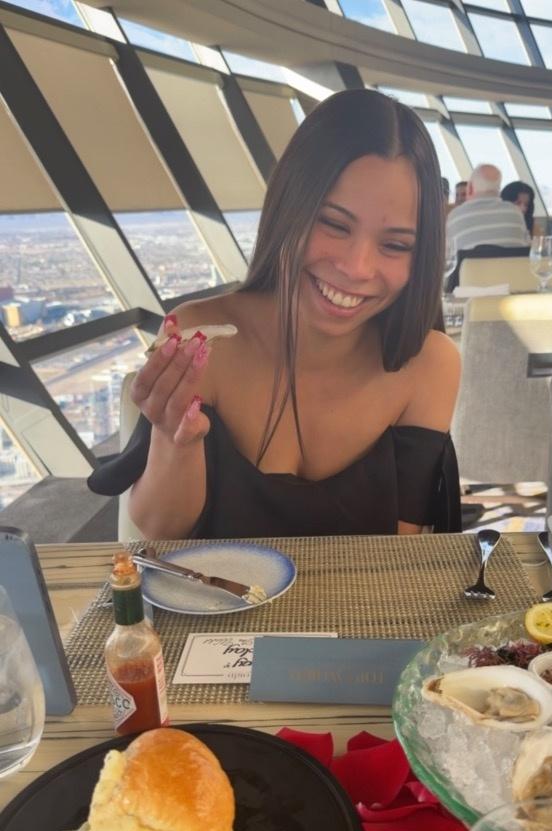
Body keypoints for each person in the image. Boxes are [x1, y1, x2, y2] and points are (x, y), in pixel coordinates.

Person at [88, 90, 461, 539]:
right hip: (210, 588)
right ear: (289, 208)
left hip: (362, 589)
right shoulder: (203, 339)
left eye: (396, 245)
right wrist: (174, 439)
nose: (357, 268)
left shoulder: (429, 365)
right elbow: (162, 534)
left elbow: (402, 550)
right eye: (333, 224)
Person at [446, 164, 530, 254]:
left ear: (469, 188)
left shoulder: (454, 217)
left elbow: (447, 255)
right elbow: (528, 249)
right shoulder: (515, 213)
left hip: (470, 263)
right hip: (511, 263)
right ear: (498, 189)